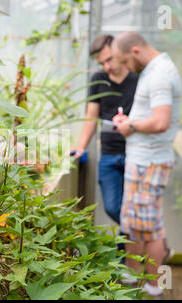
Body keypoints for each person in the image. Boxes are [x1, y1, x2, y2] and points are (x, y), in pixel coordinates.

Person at [111, 31, 181, 297]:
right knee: (133, 224)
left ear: (136, 51)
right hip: (144, 161)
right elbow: (151, 118)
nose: (127, 69)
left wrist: (130, 124)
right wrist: (130, 123)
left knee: (149, 230)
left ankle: (153, 290)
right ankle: (132, 281)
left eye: (126, 62)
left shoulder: (160, 73)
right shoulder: (155, 70)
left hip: (148, 163)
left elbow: (161, 121)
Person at [70, 34, 138, 250]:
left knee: (132, 207)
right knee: (112, 206)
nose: (107, 66)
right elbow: (91, 117)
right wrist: (81, 147)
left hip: (134, 153)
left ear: (118, 51)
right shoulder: (98, 80)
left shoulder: (137, 79)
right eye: (102, 63)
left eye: (109, 59)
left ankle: (126, 255)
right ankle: (146, 240)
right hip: (108, 154)